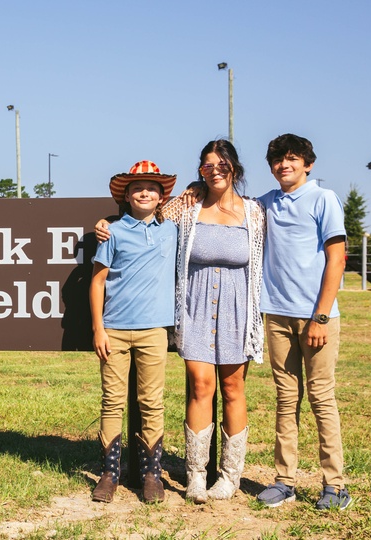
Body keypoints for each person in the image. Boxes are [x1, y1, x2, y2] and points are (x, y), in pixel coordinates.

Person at [96, 140, 266, 504]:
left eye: (222, 165)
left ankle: (229, 477)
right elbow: (145, 213)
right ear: (199, 171)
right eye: (207, 166)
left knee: (233, 388)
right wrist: (106, 222)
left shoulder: (255, 212)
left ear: (235, 168)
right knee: (200, 386)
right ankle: (195, 476)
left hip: (237, 307)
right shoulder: (186, 209)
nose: (215, 170)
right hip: (196, 306)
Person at [254, 134, 350, 510]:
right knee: (286, 399)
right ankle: (285, 481)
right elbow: (228, 206)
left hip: (317, 317)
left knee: (321, 398)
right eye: (277, 160)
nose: (284, 165)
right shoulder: (266, 203)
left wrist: (320, 317)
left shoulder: (323, 199)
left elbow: (337, 259)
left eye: (292, 159)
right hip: (276, 315)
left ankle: (335, 485)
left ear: (308, 164)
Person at [90, 160, 177, 504]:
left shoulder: (171, 230)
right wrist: (98, 328)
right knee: (112, 401)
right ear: (125, 195)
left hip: (154, 330)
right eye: (137, 187)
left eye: (152, 188)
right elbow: (98, 281)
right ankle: (110, 473)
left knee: (151, 402)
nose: (145, 191)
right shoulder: (112, 231)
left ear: (161, 197)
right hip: (114, 329)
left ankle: (151, 475)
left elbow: (194, 197)